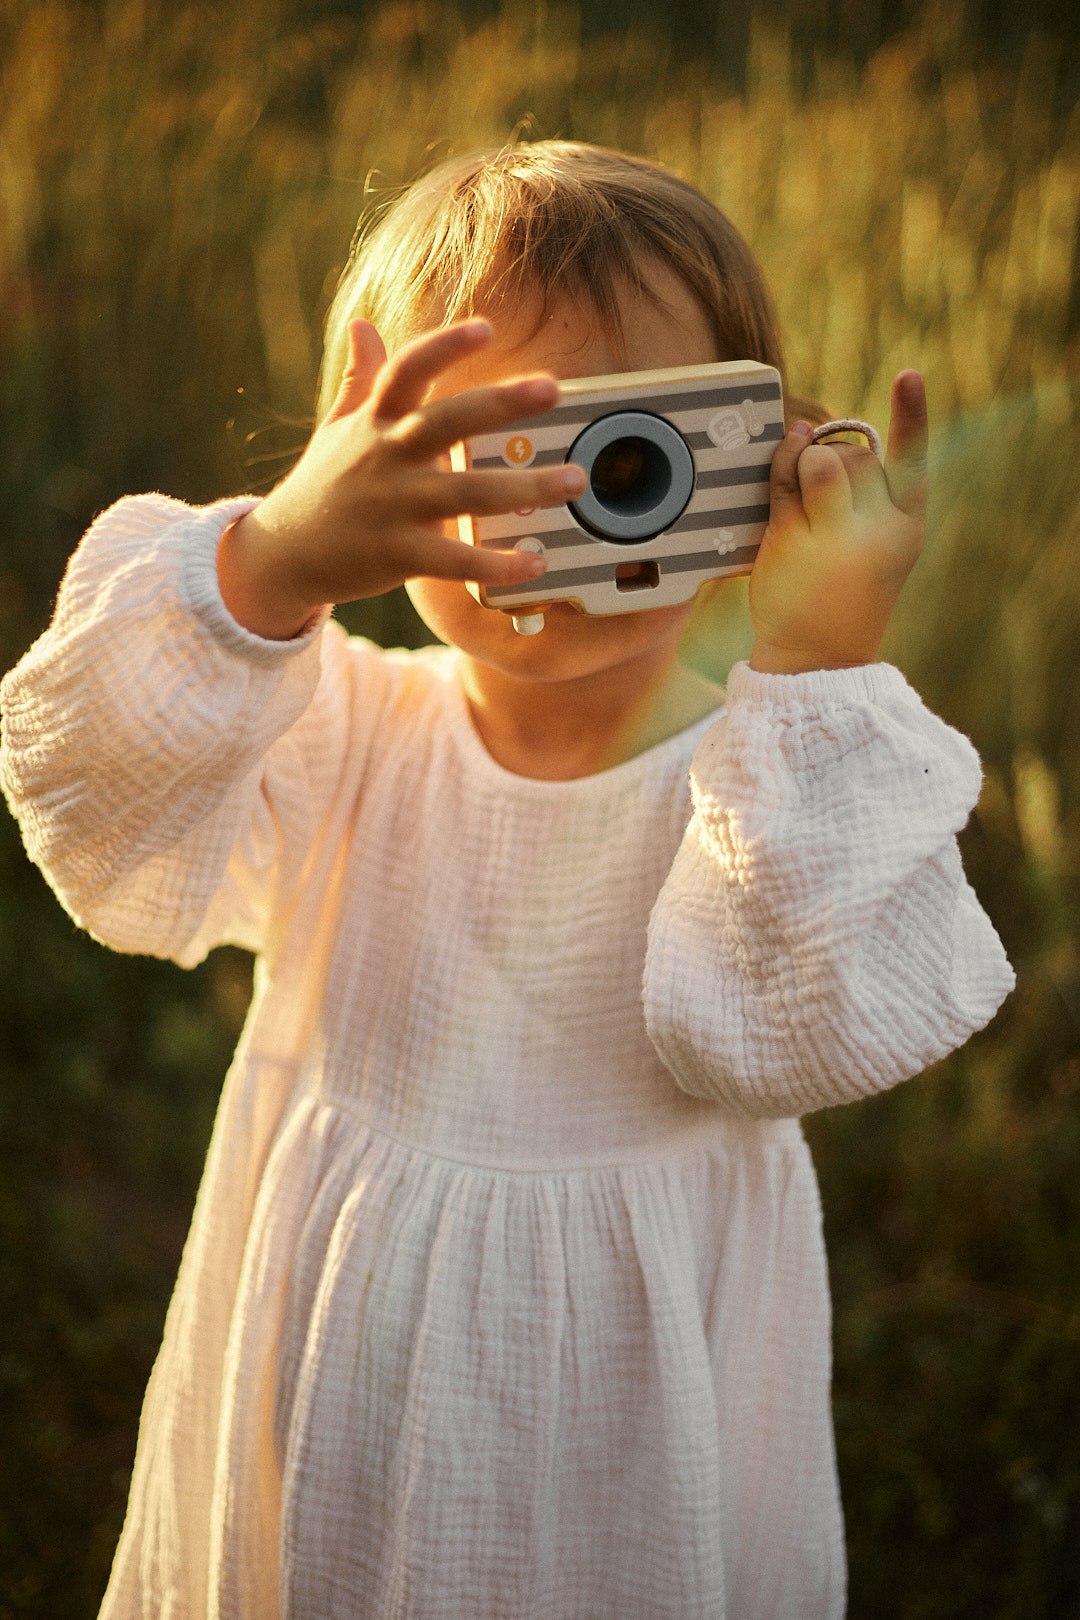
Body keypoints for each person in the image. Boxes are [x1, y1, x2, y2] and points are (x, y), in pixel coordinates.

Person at [0, 141, 1013, 1619]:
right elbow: (101, 818)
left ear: (751, 461)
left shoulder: (771, 791)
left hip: (627, 1435)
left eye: (621, 457)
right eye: (470, 448)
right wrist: (273, 562)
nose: (529, 524)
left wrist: (819, 659)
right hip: (326, 1383)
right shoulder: (340, 730)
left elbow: (800, 1028)